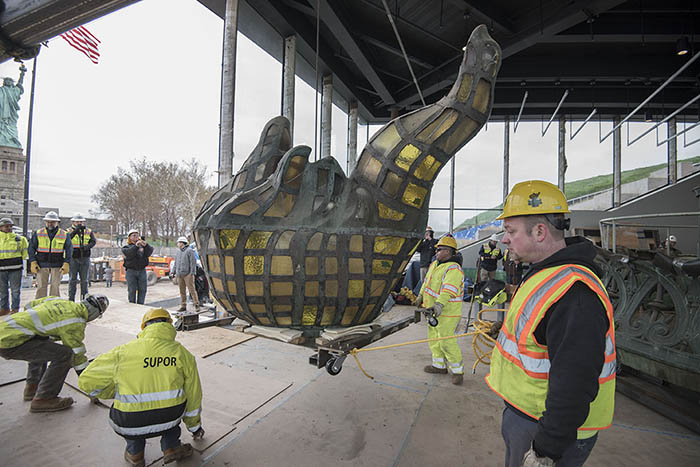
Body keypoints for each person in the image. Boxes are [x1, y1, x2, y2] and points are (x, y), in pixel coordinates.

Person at [485, 180, 616, 467]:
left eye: (510, 231)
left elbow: (575, 381)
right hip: (528, 416)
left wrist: (546, 450)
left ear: (540, 231)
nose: (505, 239)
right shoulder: (547, 273)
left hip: (547, 431)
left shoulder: (574, 293)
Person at [78, 308, 204, 467]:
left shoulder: (122, 352)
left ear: (144, 327)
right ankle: (171, 447)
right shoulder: (182, 354)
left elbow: (86, 381)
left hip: (128, 422)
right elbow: (193, 394)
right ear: (169, 326)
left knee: (133, 419)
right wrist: (194, 427)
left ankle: (135, 454)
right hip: (169, 419)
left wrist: (116, 392)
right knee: (173, 407)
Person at [0, 294, 109, 412]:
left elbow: (29, 306)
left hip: (5, 331)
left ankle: (33, 387)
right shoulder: (75, 322)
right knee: (65, 354)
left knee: (43, 341)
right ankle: (44, 398)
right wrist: (92, 389)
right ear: (95, 314)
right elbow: (78, 358)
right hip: (9, 343)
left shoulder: (56, 300)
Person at [414, 235, 465, 385]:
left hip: (447, 313)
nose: (436, 252)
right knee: (434, 339)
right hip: (431, 310)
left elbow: (448, 291)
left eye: (440, 249)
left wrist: (439, 305)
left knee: (446, 341)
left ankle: (458, 371)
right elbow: (427, 282)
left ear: (448, 251)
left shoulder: (454, 269)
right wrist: (421, 295)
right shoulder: (435, 264)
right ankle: (439, 365)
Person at [28, 211, 72, 298]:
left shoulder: (64, 234)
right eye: (48, 221)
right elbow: (31, 248)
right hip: (41, 264)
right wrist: (33, 261)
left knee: (55, 287)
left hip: (57, 265)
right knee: (41, 287)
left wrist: (66, 263)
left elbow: (69, 249)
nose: (50, 224)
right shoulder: (38, 233)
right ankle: (39, 306)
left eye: (52, 222)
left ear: (57, 222)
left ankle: (53, 306)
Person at [0, 218, 28, 315]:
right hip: (1, 270)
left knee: (15, 291)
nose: (9, 228)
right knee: (2, 291)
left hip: (15, 269)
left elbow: (25, 253)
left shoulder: (19, 239)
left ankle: (15, 309)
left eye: (10, 226)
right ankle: (4, 309)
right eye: (6, 226)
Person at [67, 213, 96, 302]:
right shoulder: (68, 231)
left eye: (81, 222)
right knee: (72, 279)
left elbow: (93, 241)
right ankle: (71, 299)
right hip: (73, 257)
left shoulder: (88, 231)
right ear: (73, 222)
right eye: (77, 222)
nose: (79, 223)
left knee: (84, 280)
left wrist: (86, 247)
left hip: (85, 257)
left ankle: (84, 298)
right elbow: (67, 239)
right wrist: (75, 231)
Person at [121, 229, 154, 304]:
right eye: (134, 235)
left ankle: (141, 304)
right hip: (131, 271)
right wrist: (136, 246)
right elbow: (129, 254)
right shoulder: (126, 247)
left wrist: (146, 245)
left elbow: (149, 252)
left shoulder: (143, 247)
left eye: (137, 235)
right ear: (130, 237)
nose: (136, 237)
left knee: (142, 289)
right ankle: (132, 304)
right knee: (132, 290)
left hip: (142, 270)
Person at [0, 64, 26, 148]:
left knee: (11, 126)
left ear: (12, 83)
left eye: (9, 80)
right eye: (6, 80)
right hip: (1, 112)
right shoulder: (1, 90)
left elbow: (20, 84)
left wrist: (22, 73)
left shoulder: (14, 91)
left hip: (11, 115)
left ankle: (11, 140)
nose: (7, 81)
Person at [172, 236, 200, 312]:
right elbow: (176, 263)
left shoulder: (189, 251)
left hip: (188, 274)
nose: (178, 244)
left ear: (182, 243)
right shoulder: (178, 252)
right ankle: (183, 306)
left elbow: (193, 263)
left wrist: (192, 273)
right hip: (179, 274)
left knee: (192, 290)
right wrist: (173, 272)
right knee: (182, 291)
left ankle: (196, 304)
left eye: (179, 242)